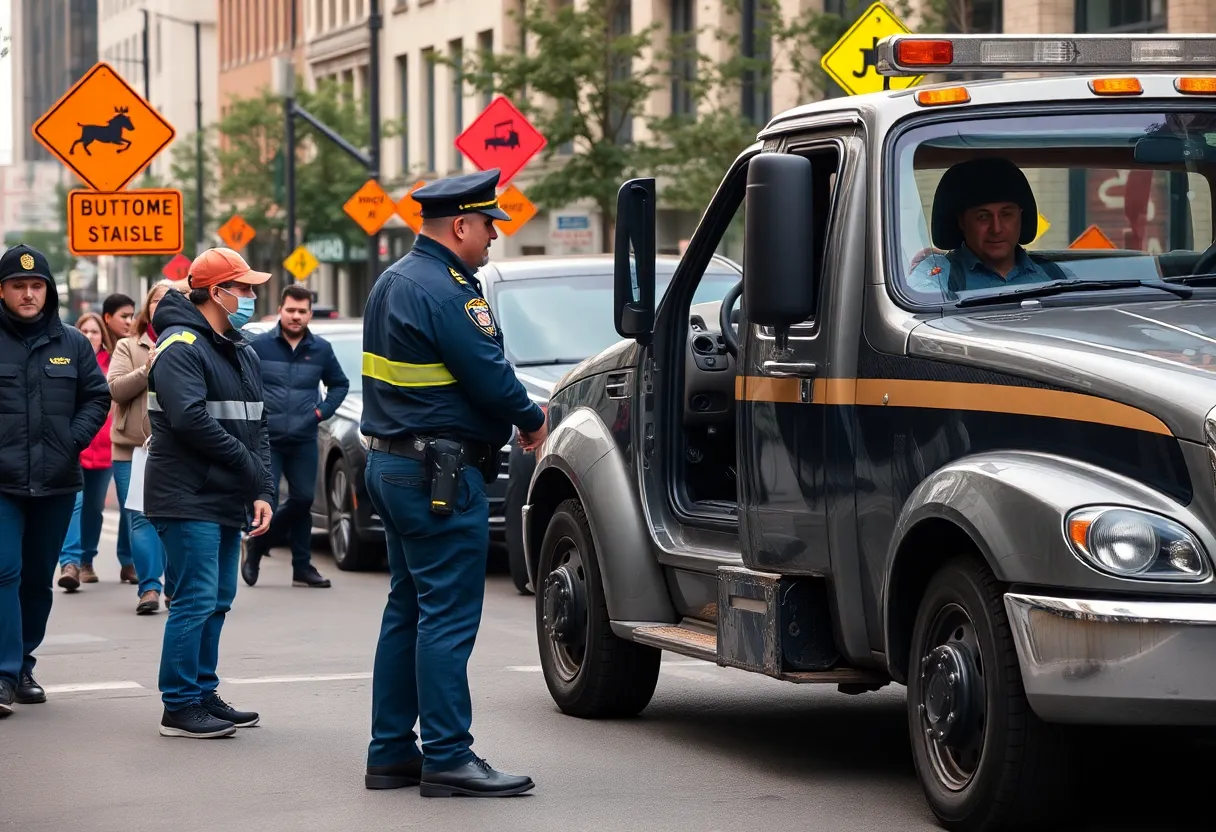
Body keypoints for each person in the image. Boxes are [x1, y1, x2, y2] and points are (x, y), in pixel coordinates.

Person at [360, 169, 546, 797]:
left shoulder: (391, 281)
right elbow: (490, 375)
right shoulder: (447, 290)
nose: (493, 236)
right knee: (445, 617)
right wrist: (531, 419)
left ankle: (390, 753)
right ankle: (447, 756)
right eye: (488, 224)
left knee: (407, 609)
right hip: (437, 471)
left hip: (392, 463)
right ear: (461, 226)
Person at [144, 247, 275, 739]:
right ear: (215, 292)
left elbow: (258, 425)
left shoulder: (241, 349)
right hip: (186, 494)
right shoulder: (180, 345)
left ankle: (201, 692)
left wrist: (261, 487)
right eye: (242, 288)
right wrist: (247, 469)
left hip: (225, 494)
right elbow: (190, 420)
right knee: (195, 599)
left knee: (217, 597)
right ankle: (178, 706)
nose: (250, 296)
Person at [0, 244, 110, 717]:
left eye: (36, 286)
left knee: (36, 580)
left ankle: (24, 665)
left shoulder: (73, 342)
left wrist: (72, 439)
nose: (28, 294)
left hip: (57, 481)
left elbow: (97, 398)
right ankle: (3, 674)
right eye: (18, 286)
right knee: (4, 572)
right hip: (1, 484)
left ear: (48, 291)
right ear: (2, 291)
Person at [243, 284, 349, 589]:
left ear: (309, 314)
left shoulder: (321, 350)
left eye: (302, 311)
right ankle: (265, 553)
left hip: (304, 437)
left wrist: (320, 412)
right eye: (290, 310)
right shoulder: (260, 347)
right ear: (280, 310)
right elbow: (245, 385)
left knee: (303, 500)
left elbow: (339, 385)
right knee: (269, 501)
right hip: (267, 439)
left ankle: (283, 559)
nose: (295, 316)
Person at [907, 157, 1068, 295]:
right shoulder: (941, 273)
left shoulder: (1053, 274)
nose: (997, 229)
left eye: (1006, 215)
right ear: (962, 222)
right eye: (983, 217)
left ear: (1021, 216)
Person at [109, 280, 174, 615]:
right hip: (133, 449)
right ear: (147, 306)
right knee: (139, 518)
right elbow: (116, 390)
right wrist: (146, 368)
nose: (161, 305)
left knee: (176, 518)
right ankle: (149, 588)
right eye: (156, 300)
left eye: (170, 300)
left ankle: (174, 586)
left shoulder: (189, 342)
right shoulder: (128, 345)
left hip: (177, 448)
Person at [56, 312, 118, 591]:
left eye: (94, 331)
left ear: (102, 336)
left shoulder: (112, 362)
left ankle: (87, 561)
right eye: (84, 331)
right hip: (73, 447)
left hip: (104, 447)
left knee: (94, 508)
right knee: (75, 504)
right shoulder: (67, 359)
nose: (89, 336)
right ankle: (69, 562)